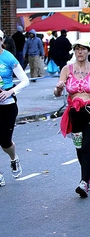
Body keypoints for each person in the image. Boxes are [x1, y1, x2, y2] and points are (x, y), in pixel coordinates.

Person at [53, 39, 90, 198]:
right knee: (79, 148)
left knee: (87, 146)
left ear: (88, 51)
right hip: (75, 113)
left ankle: (83, 182)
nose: (80, 52)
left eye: (83, 49)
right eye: (77, 49)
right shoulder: (67, 69)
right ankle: (88, 177)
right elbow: (57, 93)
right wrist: (58, 89)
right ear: (74, 51)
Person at [0, 30, 30, 187]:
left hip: (7, 105)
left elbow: (25, 80)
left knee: (4, 141)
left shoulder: (8, 58)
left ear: (2, 40)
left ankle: (13, 158)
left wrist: (10, 91)